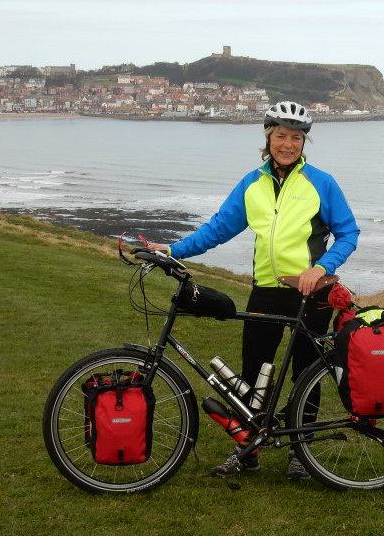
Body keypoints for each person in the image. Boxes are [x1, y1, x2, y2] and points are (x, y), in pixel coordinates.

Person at [147, 101, 359, 480]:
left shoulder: (321, 183)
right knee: (252, 371)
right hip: (266, 289)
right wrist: (173, 249)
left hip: (311, 292)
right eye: (281, 136)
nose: (288, 144)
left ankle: (301, 451)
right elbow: (218, 229)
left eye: (296, 138)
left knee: (305, 372)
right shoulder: (252, 184)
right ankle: (248, 449)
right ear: (268, 137)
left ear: (304, 142)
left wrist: (321, 268)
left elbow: (348, 233)